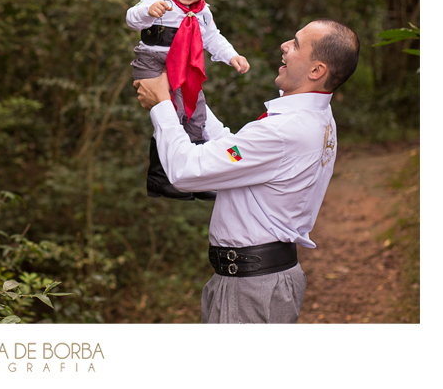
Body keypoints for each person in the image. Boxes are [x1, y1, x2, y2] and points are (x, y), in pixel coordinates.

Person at [134, 19, 360, 324]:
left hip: (252, 288)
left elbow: (185, 170)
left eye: (294, 44)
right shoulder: (314, 113)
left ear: (316, 71)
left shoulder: (284, 131)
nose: (284, 46)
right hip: (250, 281)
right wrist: (188, 99)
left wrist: (161, 104)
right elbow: (236, 149)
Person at [126, 0, 250, 200]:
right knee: (173, 115)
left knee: (196, 117)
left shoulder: (202, 11)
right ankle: (161, 178)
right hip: (153, 64)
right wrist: (148, 12)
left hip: (182, 71)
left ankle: (201, 177)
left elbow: (213, 38)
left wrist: (232, 56)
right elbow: (131, 18)